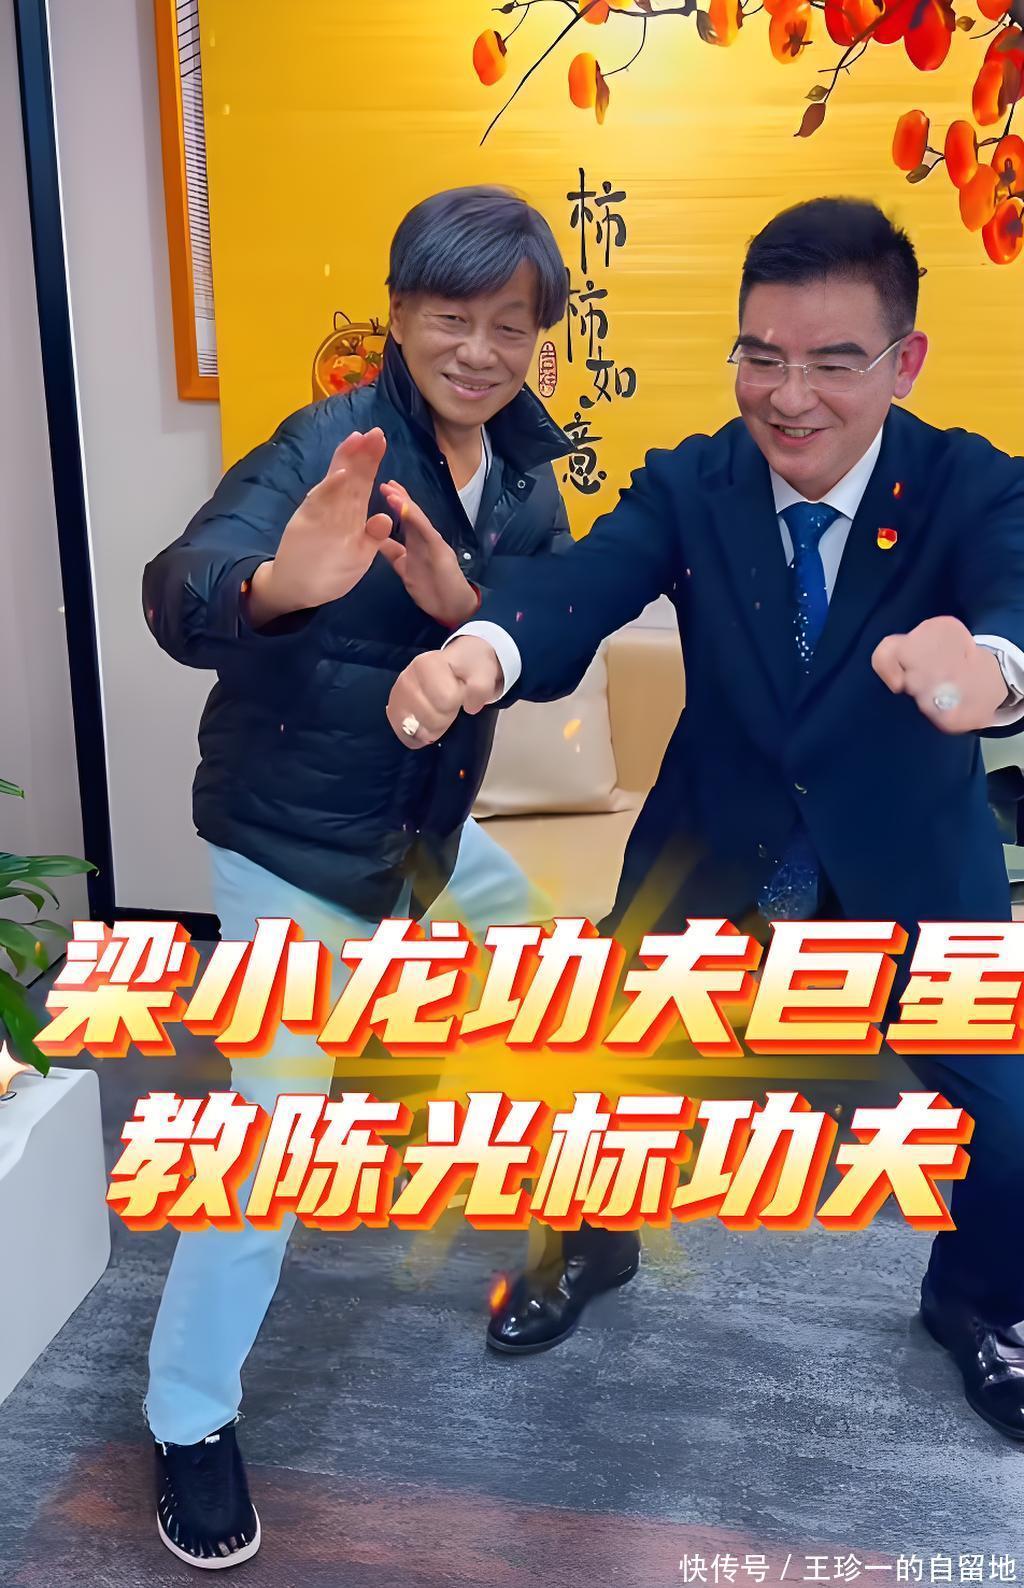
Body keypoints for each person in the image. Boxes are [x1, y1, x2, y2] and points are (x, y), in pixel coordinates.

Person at [385, 197, 1024, 1440]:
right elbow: (582, 586)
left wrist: (991, 672)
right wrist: (481, 651)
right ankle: (590, 1240)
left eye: (833, 361)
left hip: (907, 867)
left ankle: (979, 1303)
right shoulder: (696, 482)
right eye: (760, 355)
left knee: (1006, 1117)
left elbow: (1013, 600)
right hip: (718, 849)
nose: (789, 396)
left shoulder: (968, 482)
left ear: (903, 361)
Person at [140, 184, 571, 1569]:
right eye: (452, 318)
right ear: (398, 314)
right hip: (288, 839)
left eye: (511, 325)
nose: (480, 351)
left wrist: (474, 613)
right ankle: (188, 1419)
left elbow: (550, 634)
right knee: (275, 1138)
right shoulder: (328, 445)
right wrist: (278, 586)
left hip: (418, 835)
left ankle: (578, 1221)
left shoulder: (526, 474)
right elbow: (179, 584)